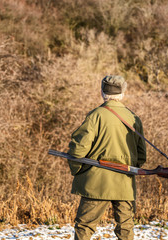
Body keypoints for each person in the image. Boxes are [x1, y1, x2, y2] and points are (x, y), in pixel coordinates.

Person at [67, 75, 147, 240]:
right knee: (125, 229)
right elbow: (141, 155)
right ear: (122, 94)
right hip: (125, 183)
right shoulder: (133, 118)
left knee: (84, 227)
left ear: (103, 93)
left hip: (96, 183)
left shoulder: (95, 115)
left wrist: (79, 170)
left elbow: (78, 149)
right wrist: (130, 169)